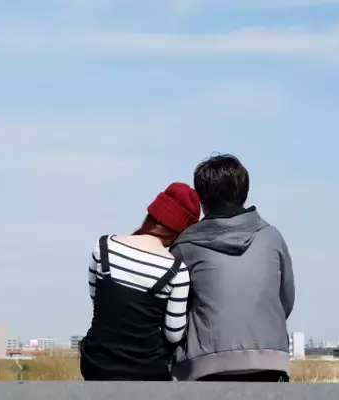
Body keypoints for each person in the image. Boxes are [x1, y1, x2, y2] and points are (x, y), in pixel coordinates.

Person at [169, 154, 295, 382]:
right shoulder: (271, 237)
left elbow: (173, 310)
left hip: (205, 365)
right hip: (270, 360)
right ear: (245, 191)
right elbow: (286, 300)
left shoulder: (185, 245)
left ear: (201, 197)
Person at [80, 182, 201, 381]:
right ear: (182, 230)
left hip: (96, 362)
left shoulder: (103, 246)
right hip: (147, 370)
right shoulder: (176, 270)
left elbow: (98, 302)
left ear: (152, 214)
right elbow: (173, 334)